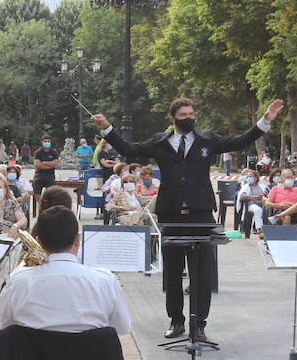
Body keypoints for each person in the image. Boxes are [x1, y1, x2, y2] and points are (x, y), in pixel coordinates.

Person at [93, 97, 282, 341]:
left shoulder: (208, 140)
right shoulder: (160, 142)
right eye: (183, 115)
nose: (189, 118)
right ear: (172, 119)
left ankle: (199, 325)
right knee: (172, 271)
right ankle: (176, 321)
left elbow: (241, 140)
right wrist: (107, 128)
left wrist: (265, 120)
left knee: (201, 272)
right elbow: (130, 149)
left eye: (191, 114)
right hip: (171, 213)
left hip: (200, 213)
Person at [0, 206, 131, 334]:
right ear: (78, 241)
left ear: (39, 242)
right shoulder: (105, 280)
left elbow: (2, 323)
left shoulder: (18, 280)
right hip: (88, 358)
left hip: (34, 358)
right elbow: (123, 328)